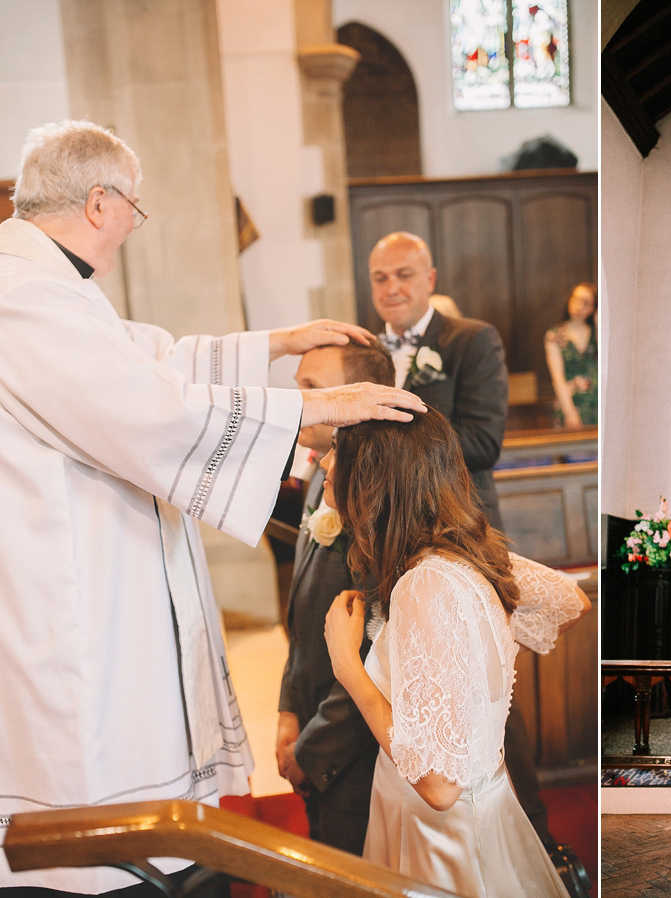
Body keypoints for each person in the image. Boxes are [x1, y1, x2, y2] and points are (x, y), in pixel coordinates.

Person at [0, 120, 424, 895]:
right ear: (100, 203)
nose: (132, 224)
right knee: (95, 778)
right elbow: (144, 406)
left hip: (96, 571)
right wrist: (314, 405)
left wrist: (282, 340)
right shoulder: (22, 297)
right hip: (73, 593)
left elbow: (148, 358)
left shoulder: (52, 290)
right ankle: (109, 867)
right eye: (134, 207)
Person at [322, 411, 589, 897]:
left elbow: (440, 787)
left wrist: (348, 667)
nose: (323, 461)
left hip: (442, 837)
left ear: (373, 478)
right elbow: (568, 600)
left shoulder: (426, 583)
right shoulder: (458, 560)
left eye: (337, 448)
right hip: (456, 809)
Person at [275, 338, 396, 855]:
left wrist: (314, 748)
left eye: (312, 388)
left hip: (354, 755)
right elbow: (304, 617)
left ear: (356, 399)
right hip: (310, 728)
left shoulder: (378, 503)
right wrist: (287, 710)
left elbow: (376, 651)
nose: (298, 399)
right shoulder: (318, 479)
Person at [371, 232, 507, 528]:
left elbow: (483, 443)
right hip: (384, 527)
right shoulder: (365, 349)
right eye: (380, 279)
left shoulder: (472, 340)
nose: (391, 288)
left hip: (459, 522)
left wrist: (385, 450)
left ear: (430, 280)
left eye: (404, 275)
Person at [544, 282, 597, 429]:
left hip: (597, 403)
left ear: (593, 308)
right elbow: (557, 378)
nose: (579, 305)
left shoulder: (597, 332)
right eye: (576, 299)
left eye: (585, 302)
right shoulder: (555, 335)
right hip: (571, 403)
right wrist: (569, 412)